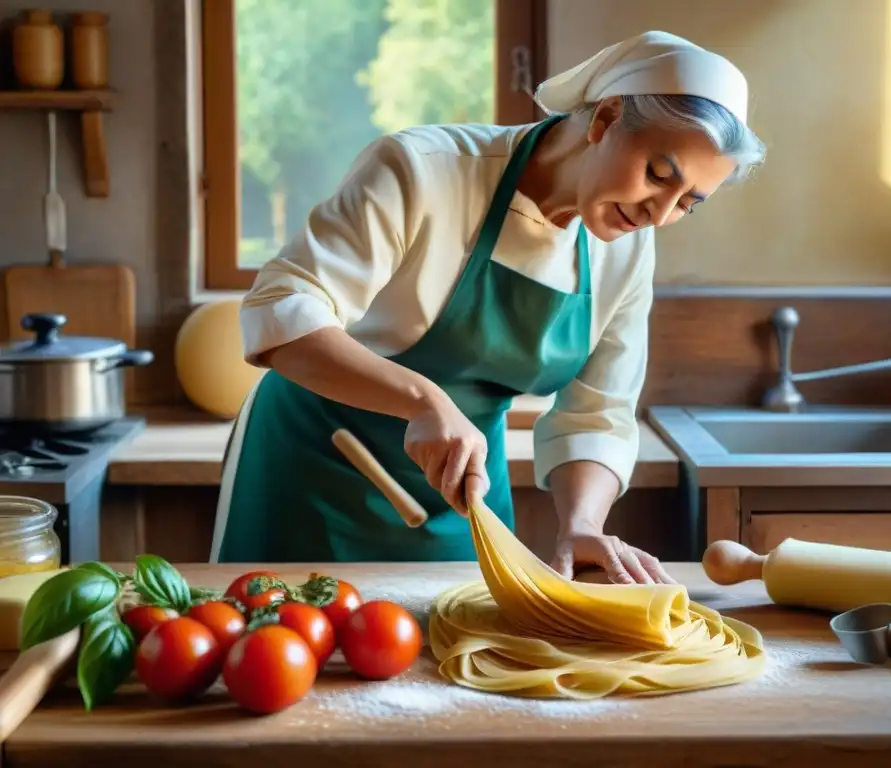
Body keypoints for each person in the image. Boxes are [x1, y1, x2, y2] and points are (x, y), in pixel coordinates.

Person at [210, 30, 765, 584]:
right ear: (605, 119)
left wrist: (581, 524)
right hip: (315, 466)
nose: (658, 213)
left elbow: (595, 413)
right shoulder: (425, 170)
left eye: (687, 203)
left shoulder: (625, 249)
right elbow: (282, 309)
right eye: (657, 176)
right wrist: (423, 400)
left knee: (462, 657)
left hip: (464, 492)